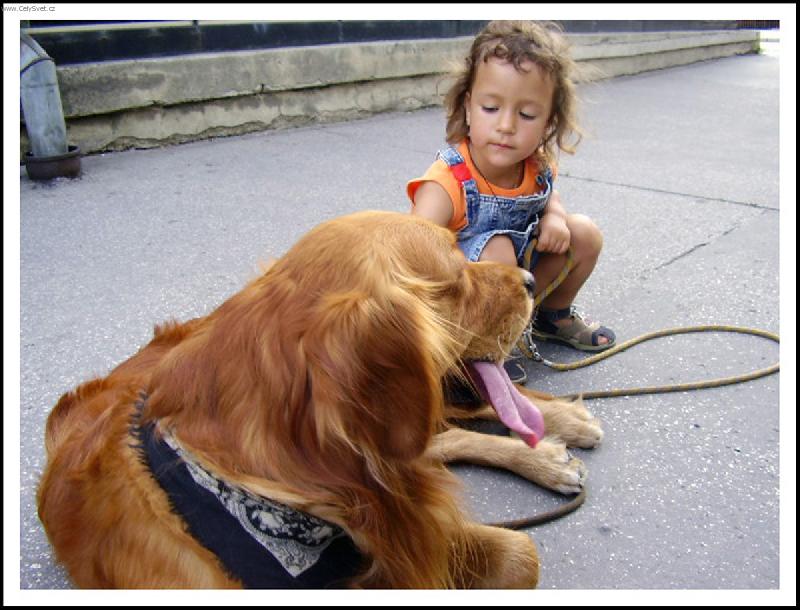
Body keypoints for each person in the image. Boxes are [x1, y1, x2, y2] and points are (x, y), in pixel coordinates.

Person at [408, 20, 615, 383]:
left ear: (549, 122)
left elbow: (550, 195)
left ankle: (552, 316)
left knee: (584, 233)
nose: (506, 125)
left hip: (517, 282)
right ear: (468, 107)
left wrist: (554, 216)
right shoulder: (447, 180)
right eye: (491, 108)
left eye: (527, 115)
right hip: (462, 301)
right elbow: (413, 253)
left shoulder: (535, 166)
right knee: (497, 249)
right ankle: (479, 354)